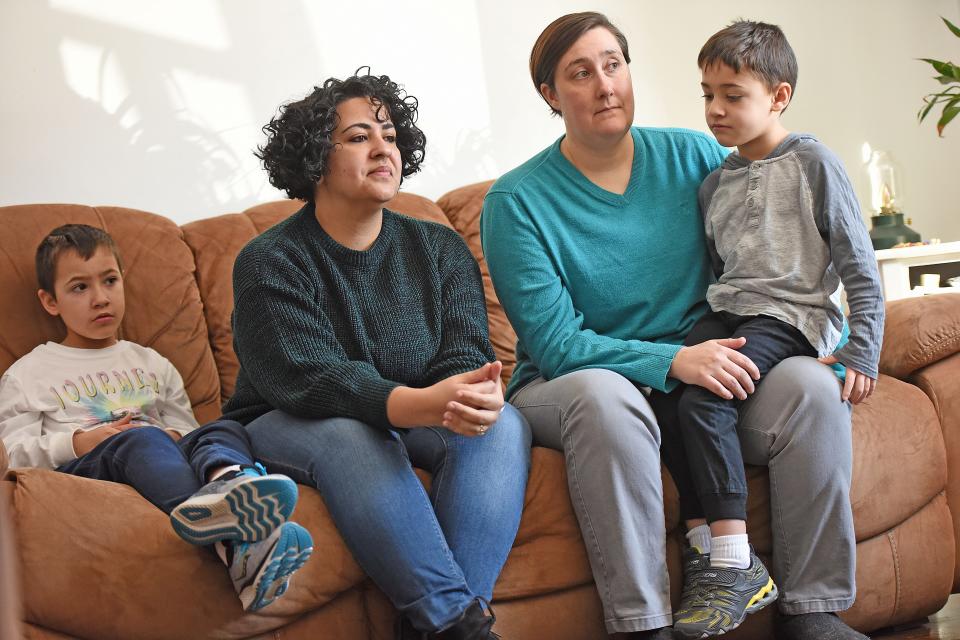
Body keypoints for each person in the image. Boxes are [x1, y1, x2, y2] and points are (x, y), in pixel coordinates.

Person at [481, 11, 870, 640]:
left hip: (707, 369)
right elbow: (556, 346)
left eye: (614, 64)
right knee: (605, 397)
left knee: (808, 388)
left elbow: (777, 252)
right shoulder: (515, 202)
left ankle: (814, 613)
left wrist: (838, 334)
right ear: (551, 95)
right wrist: (670, 362)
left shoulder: (694, 155)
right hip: (581, 383)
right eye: (581, 73)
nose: (606, 85)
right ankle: (642, 625)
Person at [222, 70, 531, 640]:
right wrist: (413, 403)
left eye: (389, 133)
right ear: (315, 156)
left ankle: (440, 624)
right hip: (290, 419)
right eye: (360, 136)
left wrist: (470, 394)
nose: (383, 147)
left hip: (412, 413)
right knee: (350, 433)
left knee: (502, 425)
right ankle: (461, 625)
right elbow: (307, 378)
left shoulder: (437, 246)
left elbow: (463, 353)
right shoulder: (268, 260)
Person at [644, 19, 885, 639]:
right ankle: (705, 546)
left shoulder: (814, 163)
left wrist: (863, 346)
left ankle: (732, 558)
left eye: (733, 95)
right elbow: (725, 270)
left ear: (778, 97)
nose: (716, 109)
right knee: (665, 395)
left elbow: (858, 260)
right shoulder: (713, 184)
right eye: (707, 94)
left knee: (705, 400)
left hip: (792, 315)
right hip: (732, 311)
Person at [0, 224, 313, 612]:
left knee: (223, 427)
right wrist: (79, 442)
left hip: (155, 451)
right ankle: (234, 538)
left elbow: (186, 431)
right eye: (80, 288)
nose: (100, 298)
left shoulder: (151, 364)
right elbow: (11, 456)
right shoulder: (29, 373)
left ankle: (233, 486)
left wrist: (170, 433)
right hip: (89, 465)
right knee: (141, 439)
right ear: (50, 301)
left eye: (109, 281)